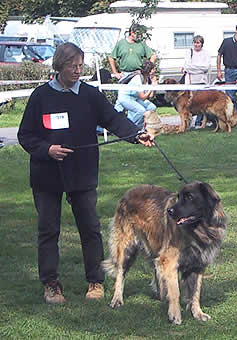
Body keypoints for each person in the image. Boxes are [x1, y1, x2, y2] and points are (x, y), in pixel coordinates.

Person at [17, 42, 154, 305]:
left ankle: (95, 281)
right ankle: (51, 284)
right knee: (48, 230)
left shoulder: (90, 95)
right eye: (72, 65)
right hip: (47, 174)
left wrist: (136, 135)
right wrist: (47, 149)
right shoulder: (40, 96)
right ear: (59, 66)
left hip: (82, 173)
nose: (78, 70)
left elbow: (113, 120)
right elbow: (26, 135)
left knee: (90, 229)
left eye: (81, 65)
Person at [114, 60, 158, 129]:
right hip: (125, 97)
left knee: (152, 107)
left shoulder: (147, 78)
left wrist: (153, 85)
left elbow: (150, 95)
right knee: (141, 110)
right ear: (149, 71)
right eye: (153, 69)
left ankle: (145, 128)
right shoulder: (137, 79)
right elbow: (143, 97)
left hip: (135, 97)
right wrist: (151, 87)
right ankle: (130, 129)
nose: (155, 70)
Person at [182, 35, 210, 129]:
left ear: (202, 44)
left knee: (201, 103)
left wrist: (194, 67)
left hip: (202, 81)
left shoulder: (206, 53)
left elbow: (206, 67)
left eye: (198, 43)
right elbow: (187, 67)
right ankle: (188, 123)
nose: (196, 45)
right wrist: (199, 68)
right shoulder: (188, 52)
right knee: (189, 103)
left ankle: (199, 123)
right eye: (195, 42)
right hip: (190, 82)